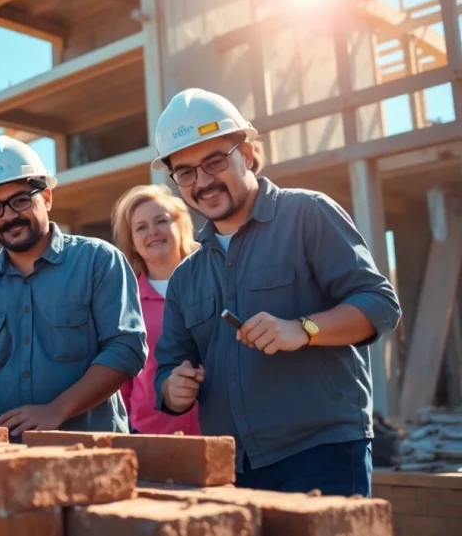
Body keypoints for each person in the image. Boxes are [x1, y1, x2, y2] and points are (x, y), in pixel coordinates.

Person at [151, 88, 401, 497]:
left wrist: (303, 329)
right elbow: (169, 368)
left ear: (247, 154)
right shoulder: (186, 277)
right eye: (186, 172)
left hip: (322, 455)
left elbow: (379, 304)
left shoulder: (308, 215)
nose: (203, 182)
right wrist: (173, 390)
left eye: (215, 162)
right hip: (232, 467)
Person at [0, 135, 147, 437]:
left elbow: (126, 349)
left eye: (20, 200)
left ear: (46, 197)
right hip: (6, 457)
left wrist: (57, 410)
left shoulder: (98, 261)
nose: (8, 216)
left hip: (93, 450)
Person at [112, 184, 201, 436]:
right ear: (132, 241)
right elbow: (122, 377)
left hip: (222, 428)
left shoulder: (214, 282)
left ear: (181, 224)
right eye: (141, 227)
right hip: (151, 433)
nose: (152, 232)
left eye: (161, 221)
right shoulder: (124, 300)